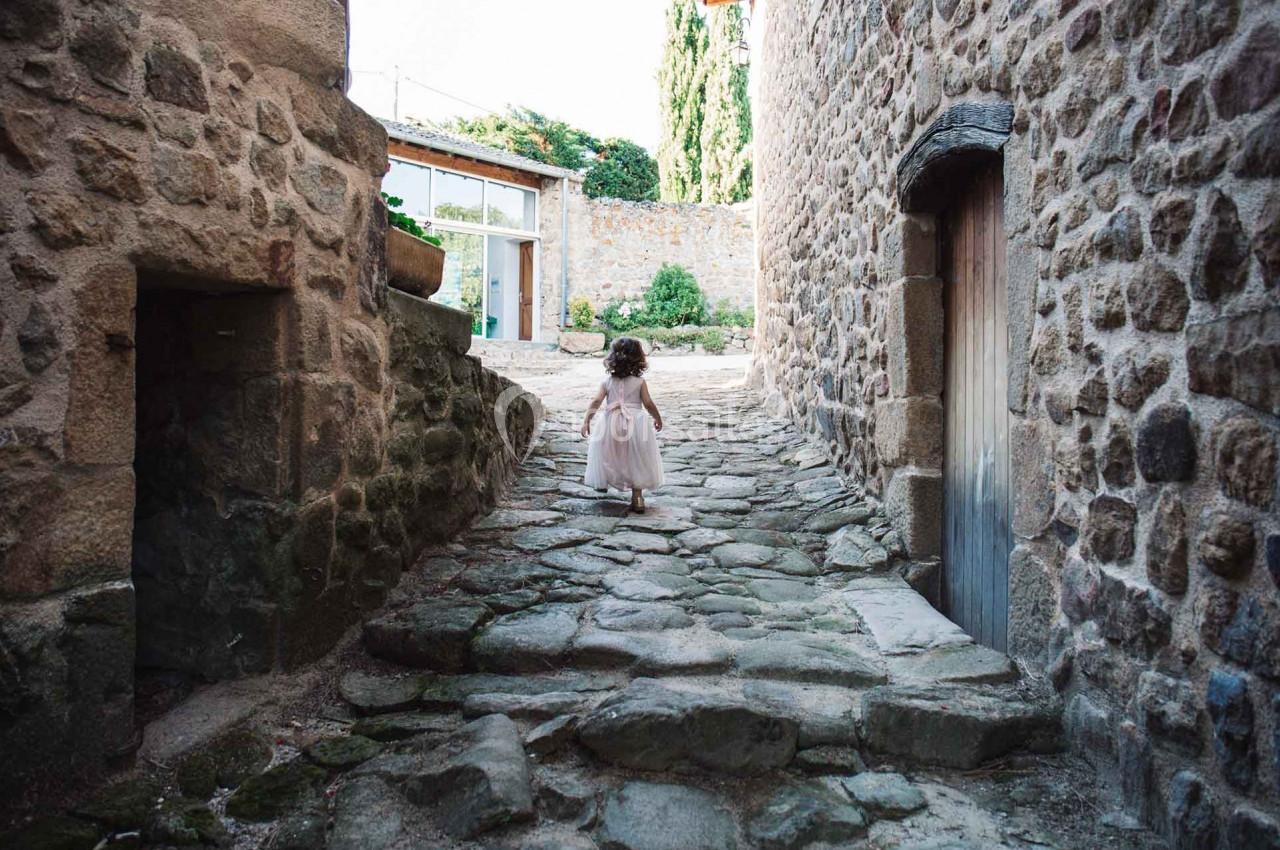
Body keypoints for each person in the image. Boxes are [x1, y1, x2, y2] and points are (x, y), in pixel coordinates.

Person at [580, 337, 664, 513]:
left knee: (606, 452)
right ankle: (638, 496)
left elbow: (596, 401)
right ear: (639, 359)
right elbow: (648, 403)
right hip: (636, 423)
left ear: (612, 358)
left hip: (610, 423)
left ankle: (603, 481)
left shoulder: (607, 382)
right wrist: (657, 417)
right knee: (636, 457)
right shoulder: (640, 382)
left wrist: (587, 420)